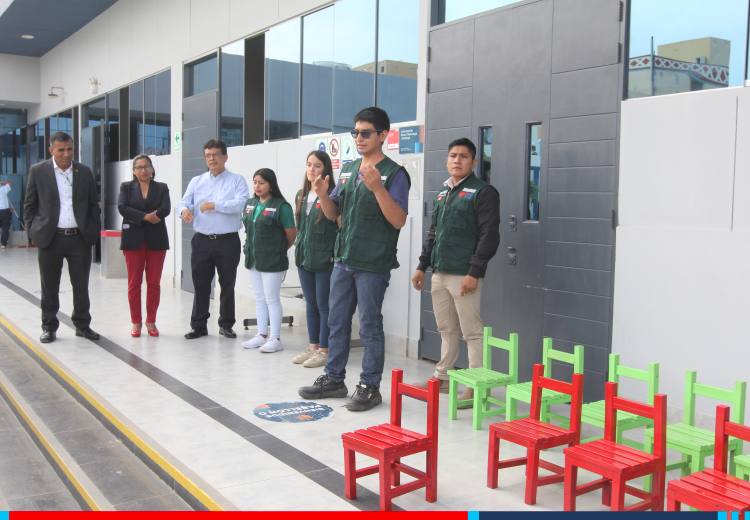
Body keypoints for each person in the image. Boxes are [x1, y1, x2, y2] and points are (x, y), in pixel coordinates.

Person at [298, 107, 410, 412]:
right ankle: (334, 379)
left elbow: (398, 220)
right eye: (355, 132)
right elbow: (334, 215)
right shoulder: (347, 169)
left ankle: (369, 386)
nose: (359, 138)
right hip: (343, 258)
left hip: (373, 262)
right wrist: (322, 196)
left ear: (383, 135)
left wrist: (377, 189)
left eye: (366, 133)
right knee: (336, 322)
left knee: (370, 326)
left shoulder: (394, 174)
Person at [411, 138, 500, 407]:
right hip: (439, 273)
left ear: (473, 162)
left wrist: (475, 271)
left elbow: (489, 235)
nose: (457, 160)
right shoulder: (442, 194)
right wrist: (421, 266)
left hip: (464, 275)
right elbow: (433, 234)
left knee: (471, 332)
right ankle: (443, 377)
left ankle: (476, 386)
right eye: (452, 155)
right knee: (446, 328)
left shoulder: (483, 192)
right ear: (447, 160)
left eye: (463, 156)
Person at [23, 132, 101, 343]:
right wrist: (32, 232)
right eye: (61, 150)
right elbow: (29, 205)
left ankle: (82, 326)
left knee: (81, 285)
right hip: (50, 239)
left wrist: (93, 230)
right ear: (51, 150)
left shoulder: (83, 172)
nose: (66, 154)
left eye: (70, 149)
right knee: (49, 285)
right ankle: (49, 327)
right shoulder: (38, 171)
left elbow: (93, 204)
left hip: (79, 238)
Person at [176, 139, 249, 340]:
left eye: (216, 154)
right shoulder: (196, 181)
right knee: (200, 284)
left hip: (227, 241)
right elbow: (183, 202)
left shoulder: (237, 180)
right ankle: (198, 325)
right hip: (201, 241)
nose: (212, 159)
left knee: (227, 284)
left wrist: (214, 205)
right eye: (208, 155)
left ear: (225, 157)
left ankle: (226, 324)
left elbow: (241, 204)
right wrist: (183, 211)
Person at [240, 168, 296, 353]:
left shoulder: (282, 206)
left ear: (271, 184)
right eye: (255, 182)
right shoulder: (250, 203)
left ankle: (275, 338)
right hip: (254, 258)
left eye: (262, 182)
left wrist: (277, 250)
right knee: (259, 298)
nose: (257, 186)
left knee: (271, 299)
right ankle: (261, 335)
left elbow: (291, 234)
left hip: (272, 260)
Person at [290, 151, 338, 368]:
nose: (311, 169)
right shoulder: (300, 194)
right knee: (310, 304)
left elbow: (338, 226)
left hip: (324, 258)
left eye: (317, 166)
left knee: (323, 305)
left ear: (325, 169)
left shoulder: (333, 194)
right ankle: (312, 346)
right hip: (304, 256)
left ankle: (324, 350)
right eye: (309, 165)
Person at [118, 154, 171, 338]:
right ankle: (136, 322)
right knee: (134, 283)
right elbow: (122, 207)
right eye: (139, 167)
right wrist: (145, 217)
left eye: (146, 166)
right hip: (133, 240)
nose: (143, 170)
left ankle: (151, 321)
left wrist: (147, 216)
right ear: (134, 170)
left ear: (152, 169)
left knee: (154, 283)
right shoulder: (126, 187)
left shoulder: (162, 188)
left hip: (157, 240)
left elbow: (166, 208)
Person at [0, 180, 13, 249]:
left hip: (4, 210)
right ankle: (3, 243)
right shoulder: (2, 189)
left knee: (5, 227)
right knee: (5, 227)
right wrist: (1, 182)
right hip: (4, 211)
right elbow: (10, 183)